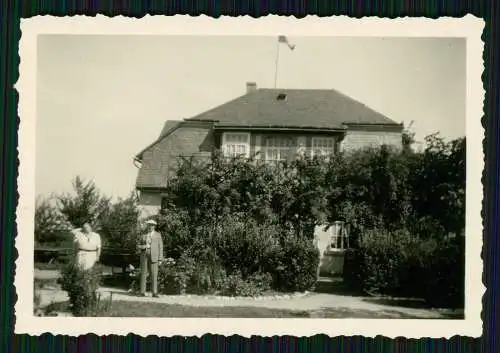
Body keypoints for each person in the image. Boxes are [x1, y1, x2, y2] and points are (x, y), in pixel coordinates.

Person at [137, 219, 164, 297]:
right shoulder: (143, 234)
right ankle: (142, 292)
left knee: (154, 274)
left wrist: (160, 259)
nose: (150, 227)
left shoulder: (158, 235)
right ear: (147, 226)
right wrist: (143, 246)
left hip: (154, 256)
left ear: (154, 226)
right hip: (144, 255)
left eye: (152, 225)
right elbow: (138, 245)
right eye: (149, 225)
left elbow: (160, 247)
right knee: (143, 273)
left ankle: (154, 292)